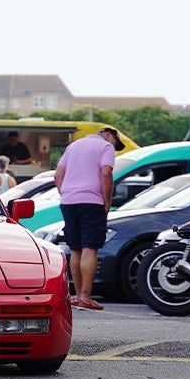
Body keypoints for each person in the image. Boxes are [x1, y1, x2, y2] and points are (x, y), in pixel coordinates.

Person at [54, 126, 124, 311]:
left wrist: (66, 193)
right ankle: (85, 296)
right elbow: (106, 173)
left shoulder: (74, 146)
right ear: (109, 135)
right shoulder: (105, 147)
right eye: (116, 145)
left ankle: (77, 295)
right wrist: (107, 201)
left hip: (69, 202)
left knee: (75, 248)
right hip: (92, 202)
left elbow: (58, 175)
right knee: (90, 248)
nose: (114, 149)